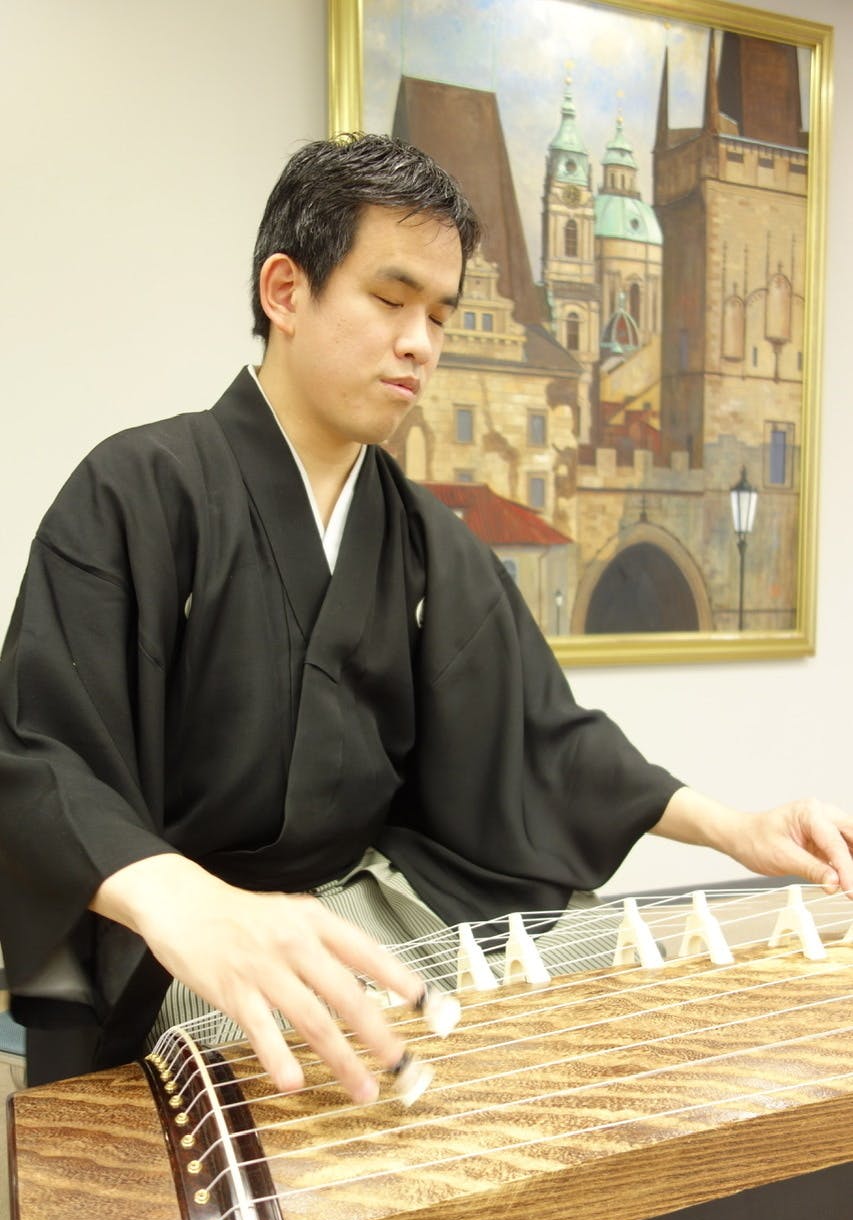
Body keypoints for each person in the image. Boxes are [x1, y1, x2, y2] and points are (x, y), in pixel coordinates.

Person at [1, 134, 851, 1099]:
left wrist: (737, 828)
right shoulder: (137, 490)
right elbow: (38, 756)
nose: (421, 344)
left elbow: (542, 736)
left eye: (440, 315)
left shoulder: (416, 536)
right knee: (275, 1035)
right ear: (285, 292)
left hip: (350, 908)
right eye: (390, 300)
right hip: (179, 933)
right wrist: (184, 899)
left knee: (601, 950)